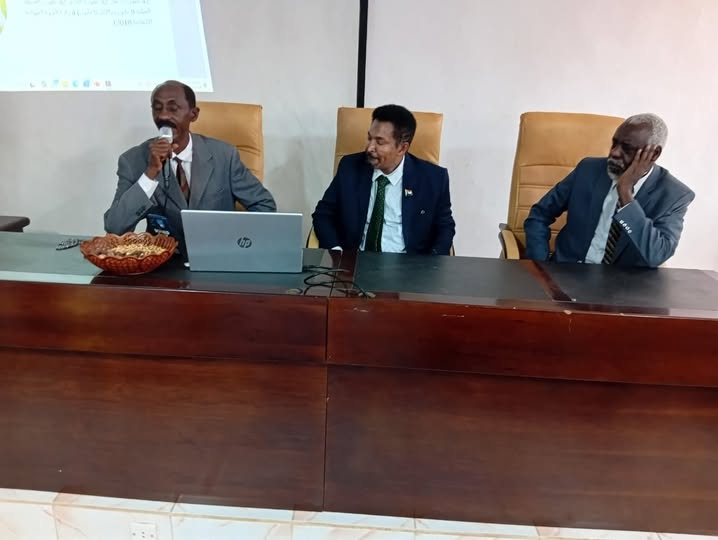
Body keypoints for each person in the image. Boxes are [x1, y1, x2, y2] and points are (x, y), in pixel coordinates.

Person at [104, 80, 276, 245]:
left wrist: (237, 242)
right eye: (157, 108)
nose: (163, 115)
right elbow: (115, 227)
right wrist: (150, 174)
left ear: (193, 114)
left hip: (217, 254)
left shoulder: (224, 156)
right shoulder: (133, 160)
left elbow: (264, 205)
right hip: (166, 260)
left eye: (173, 108)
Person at [523, 113, 694, 267]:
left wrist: (625, 193)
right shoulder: (588, 170)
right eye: (614, 143)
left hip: (622, 286)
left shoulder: (673, 195)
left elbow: (657, 255)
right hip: (569, 273)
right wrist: (541, 265)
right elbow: (540, 214)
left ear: (654, 154)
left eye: (626, 148)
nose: (614, 152)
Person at [312, 104, 455, 255]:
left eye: (379, 142)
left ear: (402, 148)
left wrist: (431, 262)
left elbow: (445, 227)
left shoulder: (433, 178)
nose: (369, 148)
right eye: (369, 138)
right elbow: (323, 215)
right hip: (355, 261)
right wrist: (336, 253)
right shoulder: (350, 167)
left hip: (409, 265)